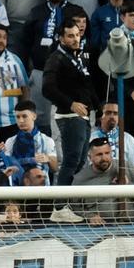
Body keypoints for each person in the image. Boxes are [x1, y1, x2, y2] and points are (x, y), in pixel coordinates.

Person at [43, 20, 99, 186]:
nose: (75, 39)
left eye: (77, 35)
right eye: (70, 36)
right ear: (61, 39)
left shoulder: (78, 56)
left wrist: (98, 107)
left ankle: (70, 203)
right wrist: (71, 103)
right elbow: (47, 89)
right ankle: (60, 207)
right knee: (71, 161)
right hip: (69, 115)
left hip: (84, 116)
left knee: (80, 162)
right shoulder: (56, 58)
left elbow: (87, 86)